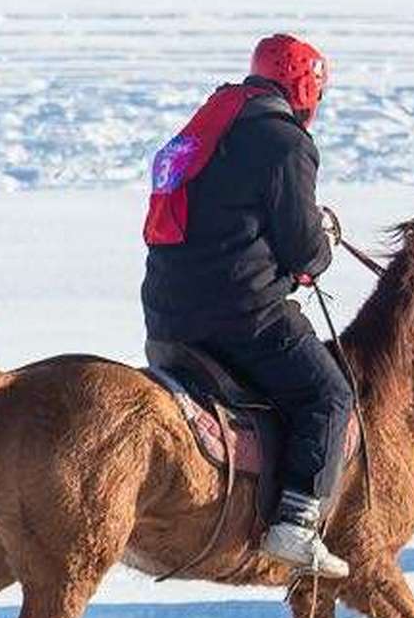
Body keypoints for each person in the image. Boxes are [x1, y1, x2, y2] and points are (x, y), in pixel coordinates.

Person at [141, 33, 353, 578]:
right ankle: (296, 523)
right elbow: (304, 248)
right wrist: (322, 244)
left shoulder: (206, 129)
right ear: (305, 86)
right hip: (243, 316)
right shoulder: (284, 142)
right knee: (328, 394)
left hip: (168, 320)